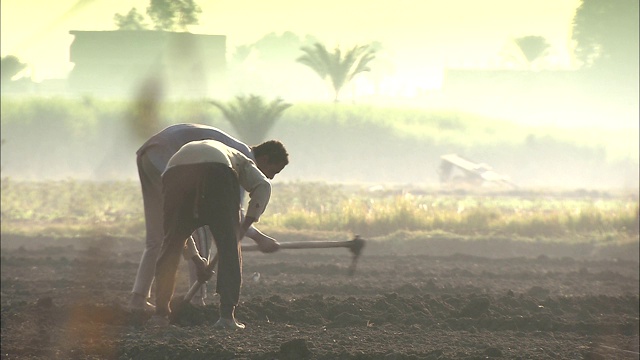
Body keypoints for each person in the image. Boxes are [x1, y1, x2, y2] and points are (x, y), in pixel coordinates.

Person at [129, 123, 287, 311]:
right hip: (167, 155)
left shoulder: (233, 149)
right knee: (201, 225)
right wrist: (259, 238)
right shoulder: (240, 160)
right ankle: (197, 300)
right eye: (273, 172)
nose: (270, 178)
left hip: (148, 155)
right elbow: (233, 214)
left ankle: (138, 299)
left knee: (159, 236)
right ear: (265, 159)